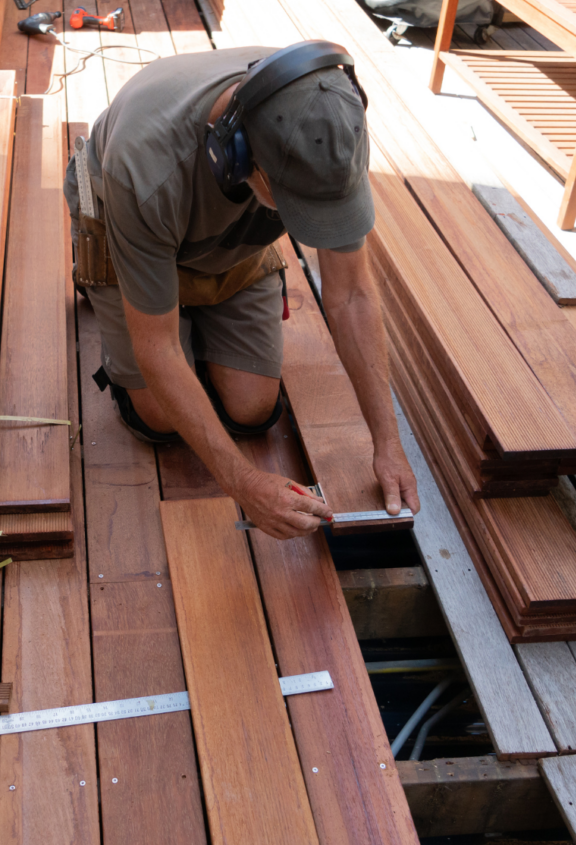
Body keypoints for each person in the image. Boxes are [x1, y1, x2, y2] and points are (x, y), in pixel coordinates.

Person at [63, 40, 420, 539]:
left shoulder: (329, 126)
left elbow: (353, 295)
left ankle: (196, 307)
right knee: (161, 420)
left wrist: (388, 442)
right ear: (235, 156)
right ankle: (128, 291)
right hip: (130, 220)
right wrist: (244, 483)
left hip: (226, 240)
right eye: (296, 209)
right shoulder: (145, 166)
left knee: (253, 409)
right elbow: (158, 348)